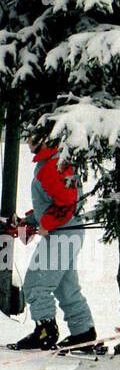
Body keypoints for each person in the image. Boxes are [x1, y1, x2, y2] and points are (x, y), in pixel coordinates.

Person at [5, 139, 98, 353]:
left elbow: (67, 203)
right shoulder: (54, 160)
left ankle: (45, 332)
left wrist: (46, 224)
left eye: (32, 137)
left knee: (36, 284)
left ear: (44, 139)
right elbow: (53, 202)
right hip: (67, 232)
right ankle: (83, 332)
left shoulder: (51, 165)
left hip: (62, 234)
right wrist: (30, 221)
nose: (28, 141)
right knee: (66, 288)